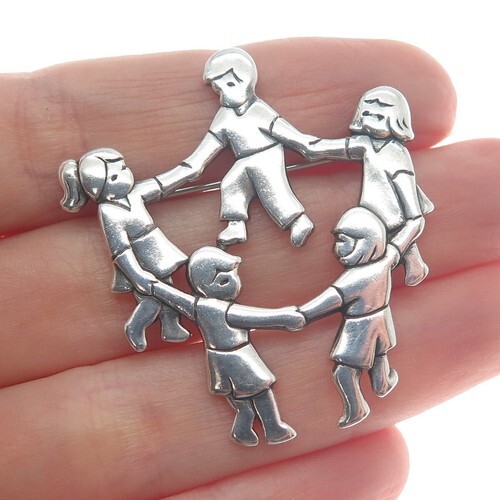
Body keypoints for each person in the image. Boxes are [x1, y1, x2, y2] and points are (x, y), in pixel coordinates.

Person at [0, 39, 497, 498]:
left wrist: (311, 155)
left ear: (248, 80)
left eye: (230, 81)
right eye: (219, 85)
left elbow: (302, 144)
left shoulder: (273, 121)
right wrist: (165, 198)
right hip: (224, 289)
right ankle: (261, 231)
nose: (224, 90)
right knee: (237, 178)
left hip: (336, 210)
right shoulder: (201, 160)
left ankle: (298, 225)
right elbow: (197, 166)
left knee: (258, 173)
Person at [151, 246, 305, 446]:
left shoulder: (198, 307)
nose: (234, 283)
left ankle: (243, 429)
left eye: (233, 276)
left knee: (239, 399)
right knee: (262, 391)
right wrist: (283, 317)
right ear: (204, 286)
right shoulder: (224, 310)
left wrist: (153, 285)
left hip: (217, 359)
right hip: (238, 356)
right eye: (224, 280)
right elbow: (257, 318)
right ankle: (273, 428)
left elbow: (174, 297)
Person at [175, 47, 318, 248]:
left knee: (272, 189)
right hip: (243, 159)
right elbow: (210, 144)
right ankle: (236, 225)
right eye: (218, 90)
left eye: (229, 85)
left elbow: (288, 133)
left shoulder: (258, 110)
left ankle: (298, 221)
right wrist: (185, 169)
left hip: (267, 154)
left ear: (245, 81)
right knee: (230, 183)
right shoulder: (224, 116)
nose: (223, 96)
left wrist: (311, 144)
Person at [59, 148, 199, 351]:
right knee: (151, 299)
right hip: (136, 258)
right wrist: (136, 275)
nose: (128, 172)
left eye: (125, 167)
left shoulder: (135, 194)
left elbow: (162, 183)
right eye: (121, 170)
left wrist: (188, 169)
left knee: (168, 288)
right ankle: (135, 326)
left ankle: (171, 326)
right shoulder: (108, 210)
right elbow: (120, 248)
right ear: (109, 181)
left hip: (155, 248)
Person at [300, 207, 422, 428]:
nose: (337, 249)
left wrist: (291, 315)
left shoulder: (351, 281)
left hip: (360, 328)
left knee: (344, 372)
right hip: (381, 321)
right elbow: (400, 243)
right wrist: (414, 221)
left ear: (365, 241)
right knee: (379, 357)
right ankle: (383, 384)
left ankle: (356, 408)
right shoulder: (384, 262)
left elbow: (311, 311)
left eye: (343, 241)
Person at [304, 86, 433, 286]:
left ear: (396, 119)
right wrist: (284, 134)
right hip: (373, 215)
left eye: (380, 114)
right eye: (367, 112)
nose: (371, 117)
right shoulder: (364, 144)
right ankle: (411, 259)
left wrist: (394, 252)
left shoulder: (397, 155)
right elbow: (317, 148)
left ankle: (409, 259)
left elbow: (415, 218)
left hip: (385, 220)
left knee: (384, 238)